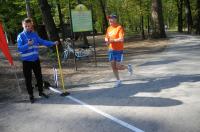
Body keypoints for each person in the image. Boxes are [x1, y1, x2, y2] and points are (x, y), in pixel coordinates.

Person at [17, 18, 58, 103]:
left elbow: (42, 41)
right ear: (23, 26)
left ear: (31, 26)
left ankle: (41, 92)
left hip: (36, 60)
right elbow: (20, 49)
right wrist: (27, 44)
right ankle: (31, 95)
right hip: (26, 62)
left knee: (39, 77)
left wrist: (53, 43)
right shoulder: (21, 36)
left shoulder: (34, 34)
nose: (27, 27)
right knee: (28, 79)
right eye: (26, 26)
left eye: (29, 26)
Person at [105, 14, 133, 88]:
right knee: (113, 67)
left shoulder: (119, 27)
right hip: (111, 50)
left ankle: (128, 67)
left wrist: (112, 40)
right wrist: (106, 40)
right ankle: (118, 81)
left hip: (118, 50)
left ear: (115, 19)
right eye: (109, 19)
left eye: (111, 18)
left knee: (118, 67)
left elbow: (121, 39)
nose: (110, 20)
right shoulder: (108, 28)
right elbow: (106, 37)